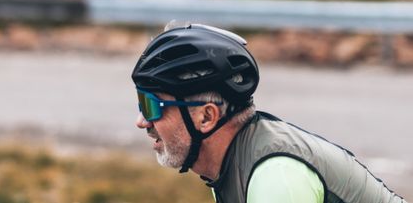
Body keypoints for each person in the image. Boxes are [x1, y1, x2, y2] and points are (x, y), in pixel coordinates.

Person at [132, 24, 407, 203]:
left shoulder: (275, 176)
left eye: (151, 105)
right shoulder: (231, 163)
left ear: (206, 117)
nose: (141, 121)